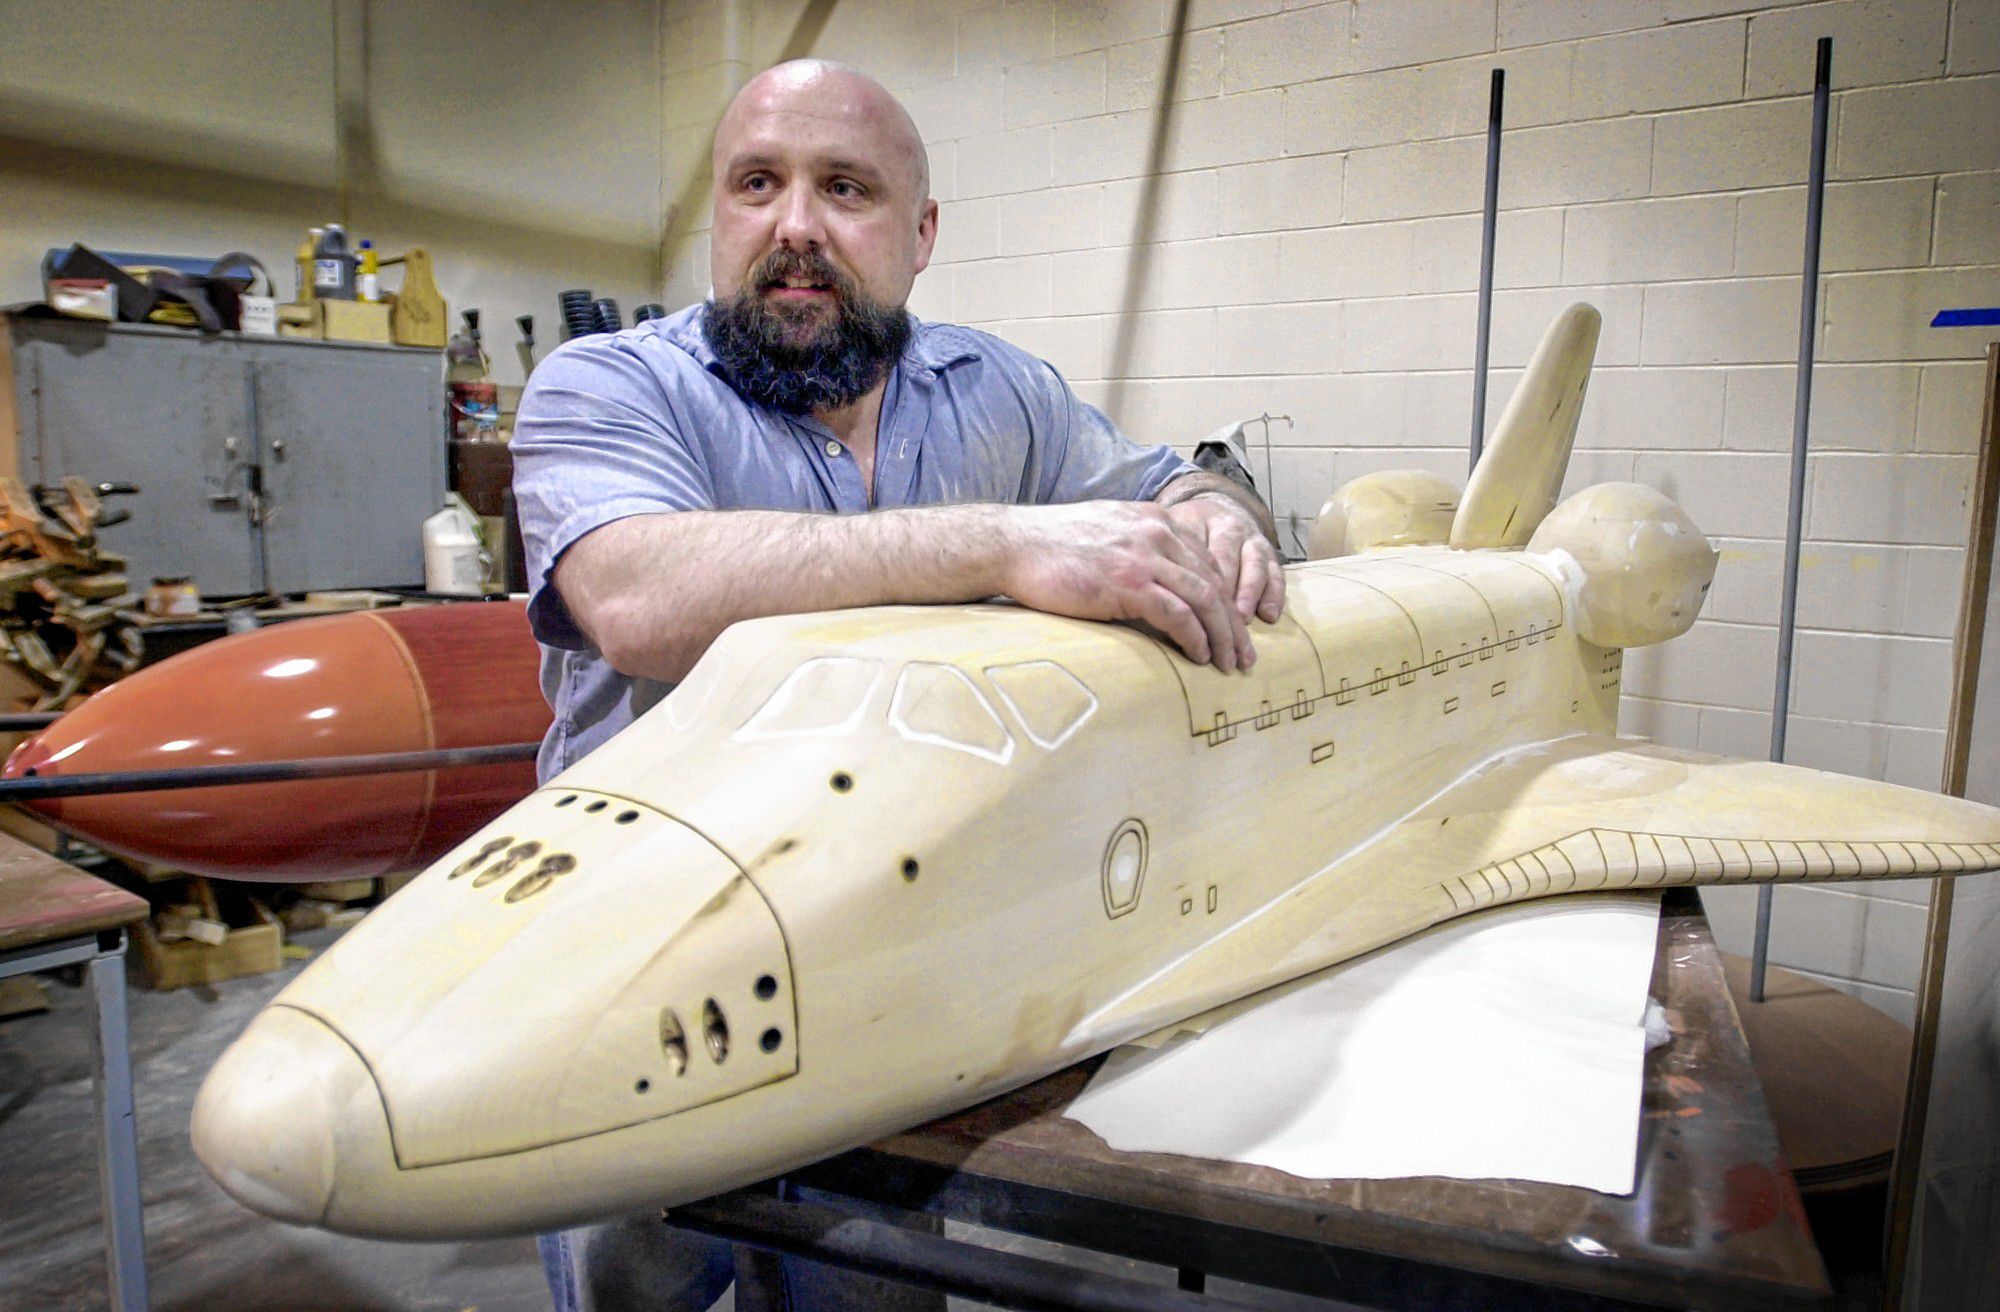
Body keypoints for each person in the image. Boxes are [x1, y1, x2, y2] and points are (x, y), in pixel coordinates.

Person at [513, 57, 1283, 1312]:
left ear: (920, 235)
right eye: (756, 184)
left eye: (845, 188)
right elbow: (637, 597)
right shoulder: (611, 386)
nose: (794, 226)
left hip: (899, 991)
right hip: (642, 989)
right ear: (718, 212)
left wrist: (1216, 509)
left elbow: (1161, 478)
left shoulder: (996, 393)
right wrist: (1003, 541)